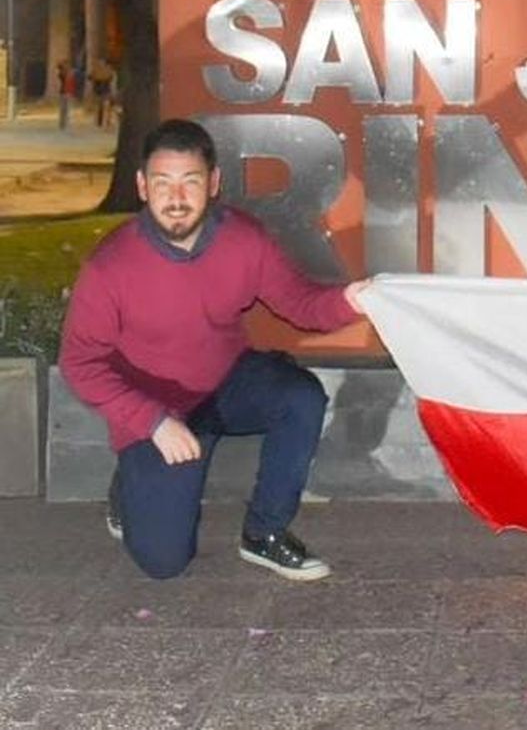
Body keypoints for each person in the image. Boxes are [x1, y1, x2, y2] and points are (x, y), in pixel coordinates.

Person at [60, 118, 368, 581]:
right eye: (163, 183)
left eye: (191, 181)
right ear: (142, 186)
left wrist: (352, 300)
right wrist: (153, 422)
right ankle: (130, 485)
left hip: (223, 384)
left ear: (214, 183)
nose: (177, 198)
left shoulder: (243, 239)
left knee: (300, 396)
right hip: (155, 407)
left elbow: (301, 304)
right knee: (164, 563)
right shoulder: (111, 267)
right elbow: (79, 364)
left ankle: (264, 534)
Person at [89, 58, 116, 129]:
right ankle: (101, 122)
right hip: (100, 91)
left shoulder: (107, 70)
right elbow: (90, 77)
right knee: (101, 106)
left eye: (102, 63)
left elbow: (111, 79)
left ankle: (105, 122)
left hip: (105, 90)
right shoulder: (98, 70)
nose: (101, 65)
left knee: (106, 106)